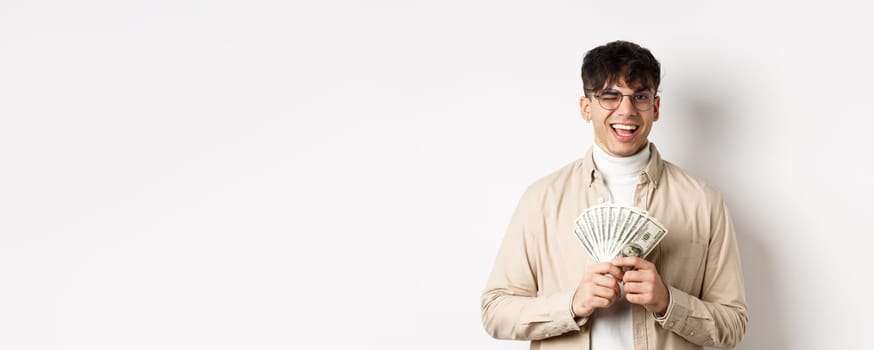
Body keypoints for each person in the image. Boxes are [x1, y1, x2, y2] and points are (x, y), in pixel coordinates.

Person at [480, 40, 748, 350]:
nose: (627, 110)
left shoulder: (704, 202)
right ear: (586, 107)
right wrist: (571, 305)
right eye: (610, 96)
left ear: (656, 107)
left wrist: (668, 302)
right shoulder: (541, 199)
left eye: (640, 96)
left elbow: (734, 323)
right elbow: (495, 311)